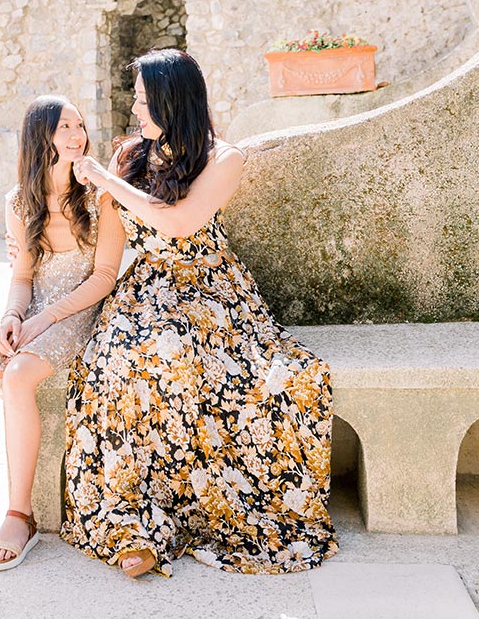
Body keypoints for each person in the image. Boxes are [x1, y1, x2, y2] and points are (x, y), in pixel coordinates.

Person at [61, 49, 337, 578]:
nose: (136, 111)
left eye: (144, 100)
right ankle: (134, 525)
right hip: (144, 293)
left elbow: (182, 222)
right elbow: (109, 258)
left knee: (251, 376)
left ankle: (208, 512)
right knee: (117, 366)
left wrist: (107, 181)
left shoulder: (222, 157)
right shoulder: (130, 158)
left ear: (171, 100)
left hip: (211, 291)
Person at [0, 96, 125, 571]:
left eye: (80, 125)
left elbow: (104, 277)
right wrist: (11, 317)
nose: (77, 135)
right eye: (65, 127)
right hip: (34, 308)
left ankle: (20, 515)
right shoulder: (18, 201)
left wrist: (47, 318)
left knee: (18, 374)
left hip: (80, 309)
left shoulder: (101, 195)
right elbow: (23, 276)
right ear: (42, 136)